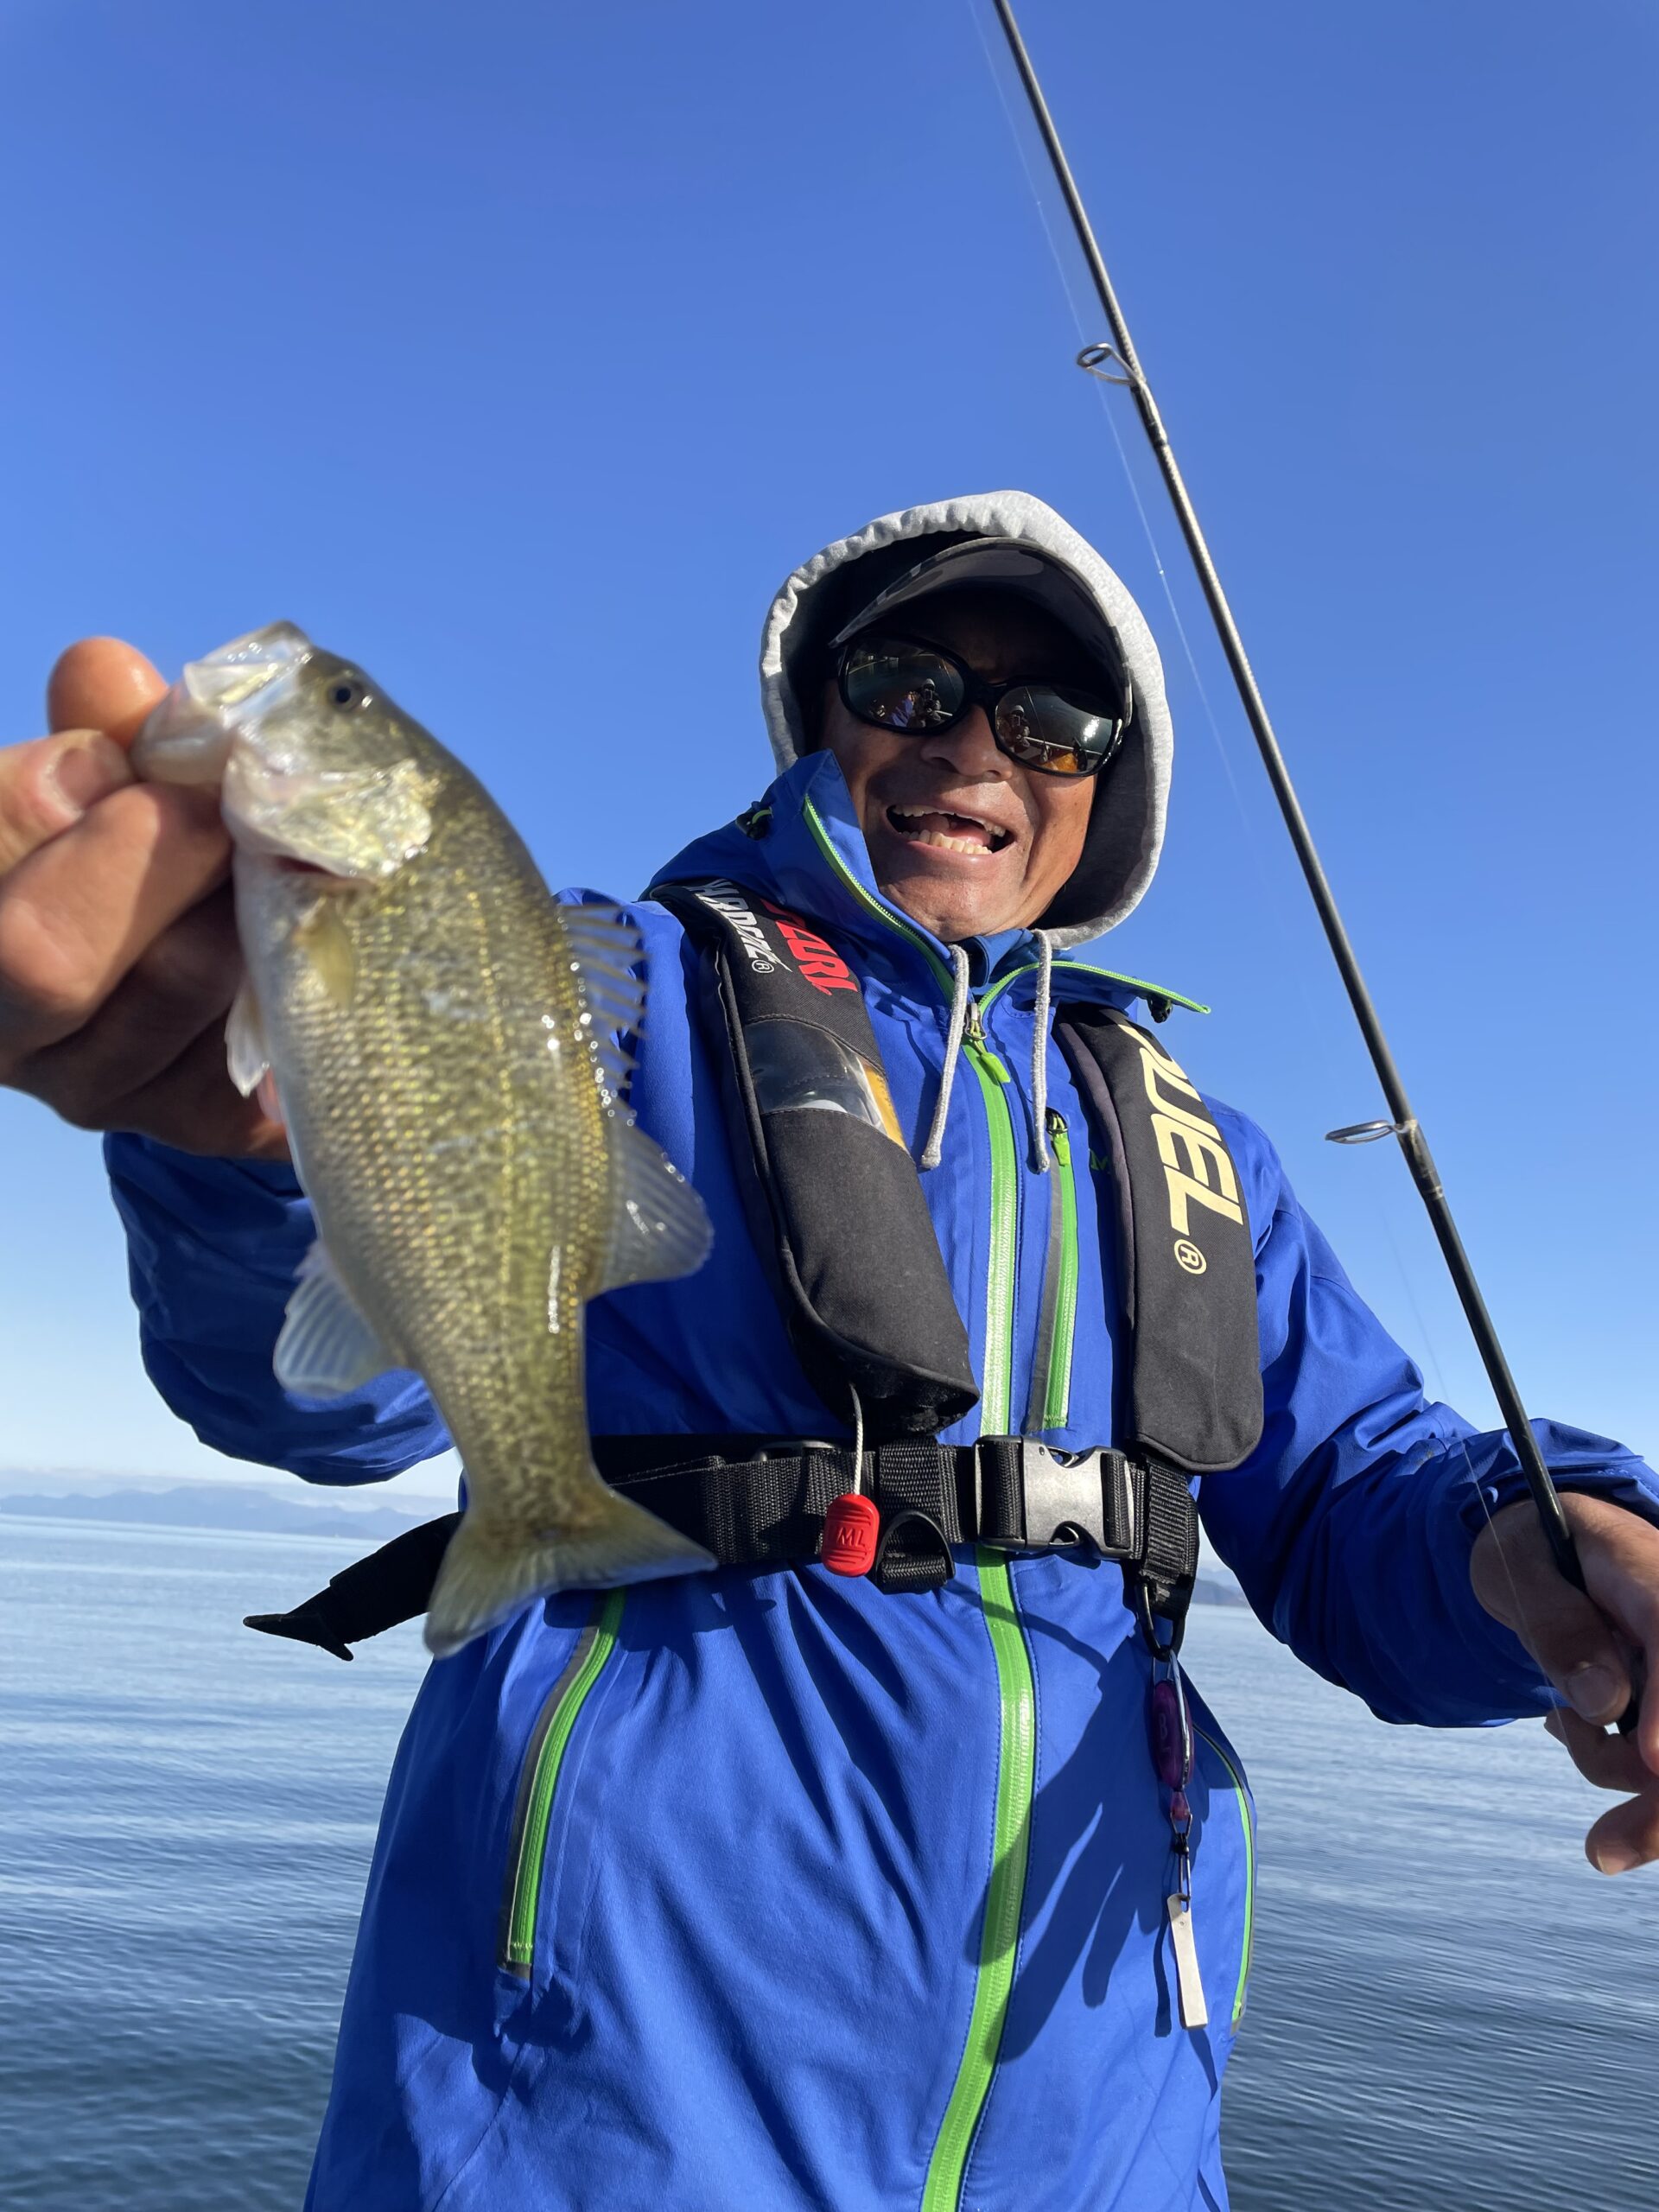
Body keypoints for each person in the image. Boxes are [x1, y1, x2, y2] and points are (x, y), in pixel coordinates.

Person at [3, 490, 1657, 2212]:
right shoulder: (612, 993)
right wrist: (249, 1156)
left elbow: (1356, 1495)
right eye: (909, 684)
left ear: (1108, 790)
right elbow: (329, 1402)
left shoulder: (1194, 1149)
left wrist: (1561, 1544)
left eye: (1052, 718)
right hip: (597, 2117)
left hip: (1107, 2133)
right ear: (818, 721)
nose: (977, 749)